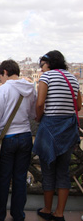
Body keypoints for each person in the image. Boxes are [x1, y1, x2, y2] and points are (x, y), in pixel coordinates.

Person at [33, 50, 81, 221]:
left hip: (51, 127)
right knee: (63, 171)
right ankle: (60, 213)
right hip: (68, 129)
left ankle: (47, 209)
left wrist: (38, 118)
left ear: (50, 63)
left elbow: (40, 104)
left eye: (42, 65)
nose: (41, 69)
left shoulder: (47, 78)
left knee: (47, 170)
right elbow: (79, 105)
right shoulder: (73, 78)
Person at [0, 59, 36, 221]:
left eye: (0, 77)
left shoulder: (4, 89)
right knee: (20, 178)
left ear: (4, 72)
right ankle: (18, 215)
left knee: (3, 178)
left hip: (7, 138)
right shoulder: (30, 88)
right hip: (25, 136)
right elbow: (33, 114)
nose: (0, 80)